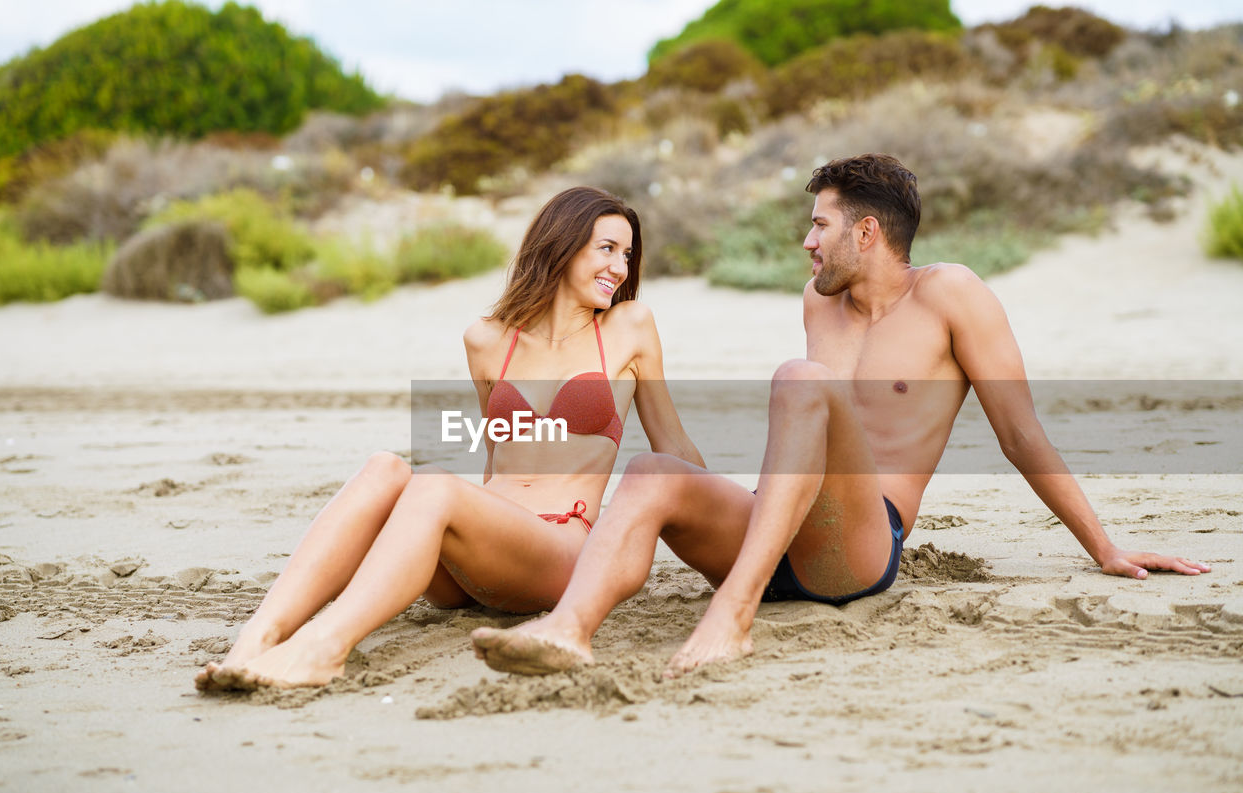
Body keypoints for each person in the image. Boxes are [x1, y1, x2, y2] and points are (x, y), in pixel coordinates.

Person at [471, 153, 1211, 679]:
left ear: (866, 233)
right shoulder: (816, 300)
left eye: (819, 225)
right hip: (776, 525)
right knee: (653, 470)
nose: (805, 241)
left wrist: (1104, 546)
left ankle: (733, 615)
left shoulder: (951, 295)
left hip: (855, 545)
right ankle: (568, 630)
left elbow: (1019, 434)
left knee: (800, 380)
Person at [195, 186, 702, 691]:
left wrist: (733, 533)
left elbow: (672, 447)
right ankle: (256, 641)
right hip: (478, 556)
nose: (620, 266)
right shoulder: (486, 341)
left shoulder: (629, 327)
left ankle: (324, 648)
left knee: (434, 483)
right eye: (606, 249)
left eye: (628, 253)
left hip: (557, 550)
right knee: (384, 467)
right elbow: (495, 456)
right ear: (562, 245)